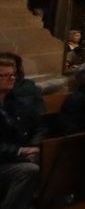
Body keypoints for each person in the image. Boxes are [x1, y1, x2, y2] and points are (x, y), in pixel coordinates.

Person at [0, 57, 39, 209]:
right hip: (4, 161)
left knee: (51, 157)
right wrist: (21, 151)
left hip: (15, 158)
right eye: (3, 75)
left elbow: (38, 126)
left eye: (12, 75)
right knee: (28, 171)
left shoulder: (15, 101)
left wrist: (35, 145)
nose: (10, 79)